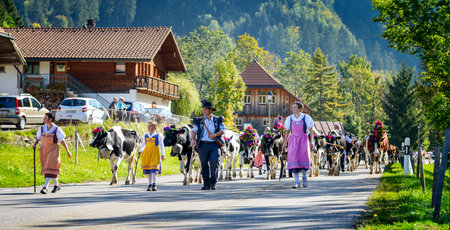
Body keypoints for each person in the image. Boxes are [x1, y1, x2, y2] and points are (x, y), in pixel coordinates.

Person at [32, 113, 72, 194]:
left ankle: (45, 187)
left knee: (49, 166)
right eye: (44, 118)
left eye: (46, 118)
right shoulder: (42, 128)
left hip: (54, 150)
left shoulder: (57, 129)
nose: (44, 119)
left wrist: (68, 151)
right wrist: (35, 144)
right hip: (44, 150)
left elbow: (62, 140)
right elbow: (39, 138)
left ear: (51, 119)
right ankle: (57, 185)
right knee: (49, 168)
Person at [190, 101, 225, 190]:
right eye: (203, 109)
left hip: (214, 144)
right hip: (203, 145)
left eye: (205, 109)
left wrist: (215, 135)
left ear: (210, 110)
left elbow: (222, 130)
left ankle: (213, 183)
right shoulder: (199, 120)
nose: (204, 110)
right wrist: (193, 139)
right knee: (204, 164)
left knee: (214, 163)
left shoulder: (218, 120)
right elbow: (194, 131)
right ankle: (206, 184)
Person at [282, 101, 314, 188]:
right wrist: (285, 142)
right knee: (293, 158)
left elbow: (311, 130)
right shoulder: (290, 118)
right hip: (293, 140)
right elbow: (287, 131)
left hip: (303, 139)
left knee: (303, 157)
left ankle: (304, 177)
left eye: (295, 107)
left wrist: (312, 140)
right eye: (292, 107)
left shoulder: (306, 117)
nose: (293, 109)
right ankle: (296, 181)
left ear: (300, 109)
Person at [138, 121, 165, 191]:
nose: (149, 128)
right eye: (148, 126)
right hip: (147, 153)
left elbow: (161, 145)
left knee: (154, 170)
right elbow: (143, 144)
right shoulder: (145, 135)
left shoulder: (158, 135)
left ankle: (154, 184)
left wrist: (163, 154)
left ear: (154, 127)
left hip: (155, 153)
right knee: (148, 170)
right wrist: (140, 151)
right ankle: (149, 184)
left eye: (150, 126)